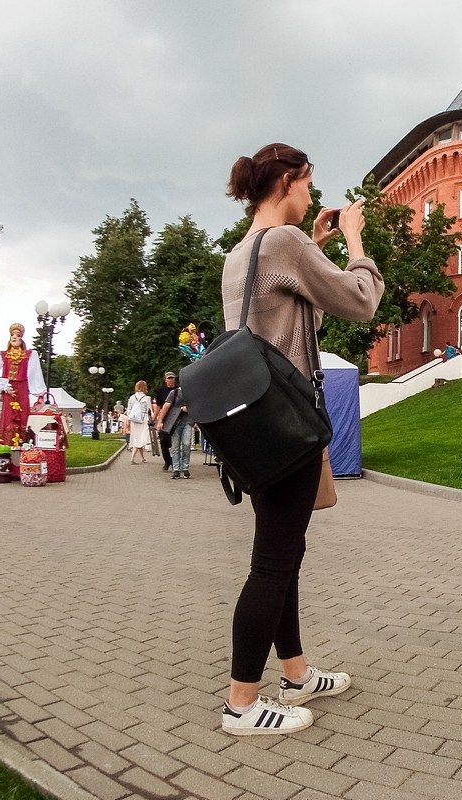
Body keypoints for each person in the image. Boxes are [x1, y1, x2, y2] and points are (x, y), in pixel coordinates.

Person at [218, 143, 384, 736]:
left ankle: (295, 673)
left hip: (256, 424)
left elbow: (296, 316)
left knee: (285, 552)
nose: (313, 195)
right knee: (273, 562)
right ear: (287, 181)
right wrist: (355, 243)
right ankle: (241, 704)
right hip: (289, 422)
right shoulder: (285, 244)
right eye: (309, 183)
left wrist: (316, 244)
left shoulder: (241, 253)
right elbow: (361, 302)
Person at [0, 323, 46, 447]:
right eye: (12, 335)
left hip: (22, 387)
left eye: (17, 335)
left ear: (21, 338)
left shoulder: (29, 355)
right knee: (8, 413)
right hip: (9, 388)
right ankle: (7, 441)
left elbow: (35, 373)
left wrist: (39, 392)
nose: (14, 337)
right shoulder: (3, 355)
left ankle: (23, 442)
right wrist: (4, 386)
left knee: (23, 412)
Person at [156, 382, 192, 478]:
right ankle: (176, 469)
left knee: (186, 445)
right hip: (175, 423)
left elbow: (197, 406)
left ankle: (185, 468)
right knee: (175, 447)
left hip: (188, 422)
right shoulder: (174, 393)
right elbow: (165, 407)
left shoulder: (192, 393)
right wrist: (160, 421)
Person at [154, 372, 177, 471]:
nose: (171, 380)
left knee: (175, 441)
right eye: (169, 378)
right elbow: (158, 406)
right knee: (163, 441)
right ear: (165, 380)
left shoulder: (178, 390)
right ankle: (167, 461)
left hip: (176, 418)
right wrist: (154, 418)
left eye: (172, 378)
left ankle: (176, 462)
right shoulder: (162, 391)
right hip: (164, 419)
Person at [126, 380, 151, 464]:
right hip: (143, 420)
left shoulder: (132, 397)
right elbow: (149, 410)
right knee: (141, 439)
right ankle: (132, 458)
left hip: (134, 420)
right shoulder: (147, 398)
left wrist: (130, 418)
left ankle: (143, 458)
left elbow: (129, 409)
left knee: (137, 438)